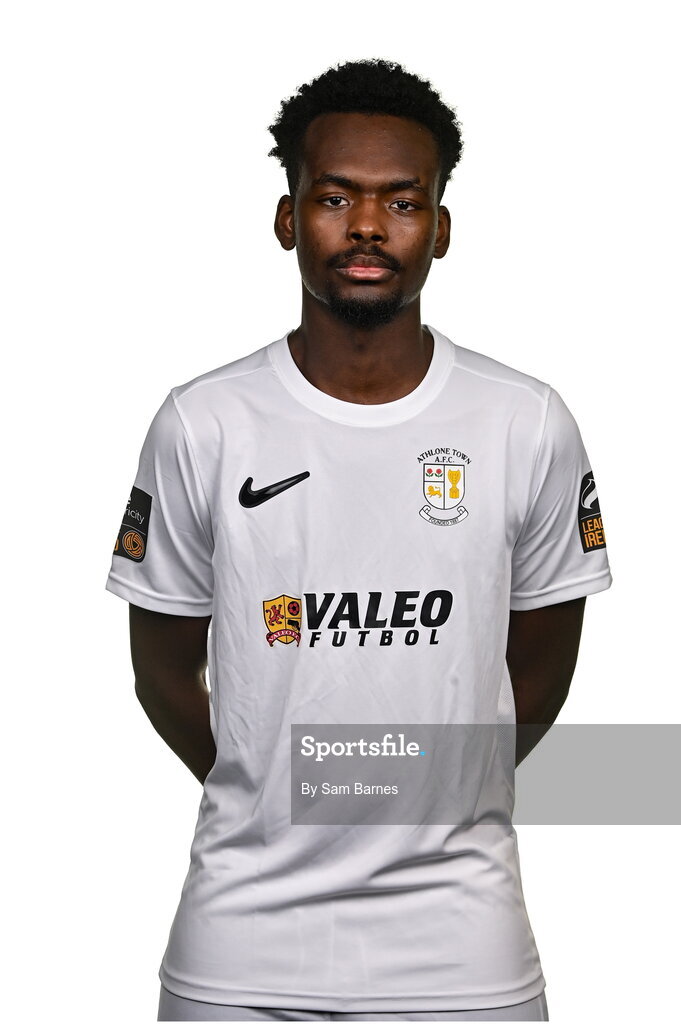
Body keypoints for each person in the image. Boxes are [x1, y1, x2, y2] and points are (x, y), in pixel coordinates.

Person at [105, 59, 612, 1022]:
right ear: (288, 218)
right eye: (335, 197)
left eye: (401, 202)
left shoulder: (526, 423)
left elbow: (535, 682)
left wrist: (416, 788)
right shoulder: (202, 423)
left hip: (463, 954)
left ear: (442, 228)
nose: (368, 227)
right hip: (241, 948)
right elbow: (164, 676)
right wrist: (272, 786)